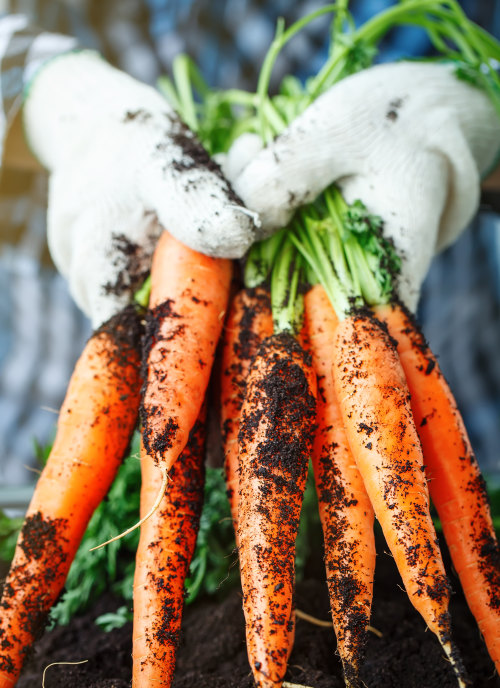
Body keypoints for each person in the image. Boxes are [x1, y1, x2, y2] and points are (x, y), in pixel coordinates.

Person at [0, 0, 499, 492]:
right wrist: (50, 97)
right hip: (40, 420)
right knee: (144, 470)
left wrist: (482, 112)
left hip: (444, 428)